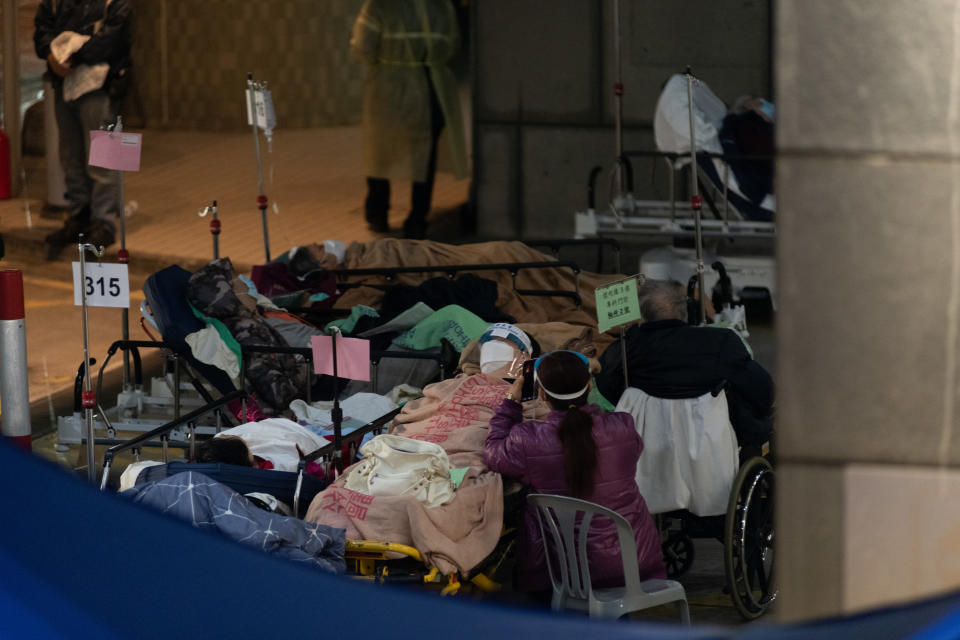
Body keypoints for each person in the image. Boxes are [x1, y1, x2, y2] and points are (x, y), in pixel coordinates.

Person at [483, 350, 666, 592]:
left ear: (541, 393)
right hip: (634, 566)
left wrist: (511, 401)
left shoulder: (527, 440)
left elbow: (493, 453)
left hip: (559, 574)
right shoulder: (622, 426)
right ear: (590, 386)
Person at [596, 279, 774, 452]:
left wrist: (642, 405)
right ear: (685, 312)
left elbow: (605, 385)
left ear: (642, 316)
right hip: (712, 451)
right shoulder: (720, 341)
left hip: (645, 450)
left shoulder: (624, 350)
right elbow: (762, 389)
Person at [350, 0, 467, 239]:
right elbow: (453, 45)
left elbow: (363, 47)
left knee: (380, 151)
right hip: (432, 85)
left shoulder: (379, 6)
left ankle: (378, 214)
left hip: (388, 84)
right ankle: (417, 218)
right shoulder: (442, 6)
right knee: (425, 157)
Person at [34, 0, 133, 259]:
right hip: (63, 83)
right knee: (71, 156)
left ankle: (104, 223)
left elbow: (115, 38)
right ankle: (79, 217)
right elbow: (41, 31)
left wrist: (72, 56)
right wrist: (51, 55)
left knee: (106, 159)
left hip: (104, 86)